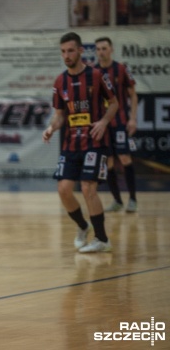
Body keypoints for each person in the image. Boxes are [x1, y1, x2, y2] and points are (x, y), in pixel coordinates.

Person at [43, 32, 118, 253]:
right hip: (71, 144)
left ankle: (102, 239)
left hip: (95, 142)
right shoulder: (60, 81)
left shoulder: (96, 76)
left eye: (70, 50)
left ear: (81, 51)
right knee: (63, 189)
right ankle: (83, 227)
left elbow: (113, 104)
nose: (66, 55)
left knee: (88, 188)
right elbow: (59, 115)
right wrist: (51, 128)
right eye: (63, 51)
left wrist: (104, 122)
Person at [94, 37, 139, 213]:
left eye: (104, 48)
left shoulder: (121, 69)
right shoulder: (93, 72)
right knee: (109, 163)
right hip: (103, 125)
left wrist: (133, 118)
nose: (101, 52)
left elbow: (133, 95)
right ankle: (117, 200)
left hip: (119, 122)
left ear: (111, 49)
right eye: (98, 49)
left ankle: (133, 199)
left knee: (125, 158)